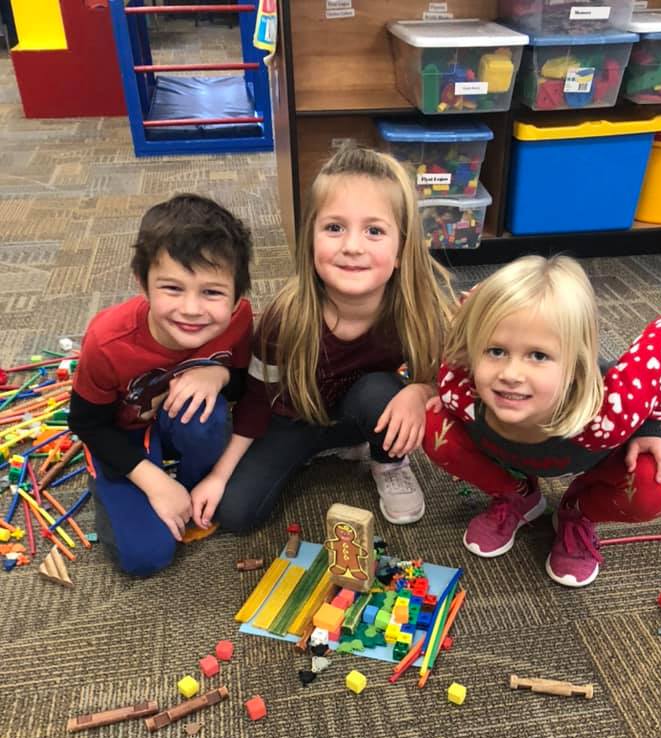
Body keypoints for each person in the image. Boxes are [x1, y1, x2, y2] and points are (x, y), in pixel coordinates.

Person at [191, 147, 455, 532]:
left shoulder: (416, 308)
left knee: (384, 392)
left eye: (375, 231)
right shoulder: (285, 317)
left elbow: (444, 379)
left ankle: (387, 460)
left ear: (401, 248)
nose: (352, 246)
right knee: (235, 513)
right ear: (310, 238)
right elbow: (255, 401)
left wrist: (419, 391)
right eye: (334, 228)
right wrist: (218, 475)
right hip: (292, 420)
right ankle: (323, 448)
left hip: (360, 409)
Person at [423, 255, 661, 587]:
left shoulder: (611, 410)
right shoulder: (459, 385)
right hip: (513, 455)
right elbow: (460, 331)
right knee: (428, 421)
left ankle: (577, 512)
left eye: (538, 356)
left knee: (658, 480)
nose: (510, 374)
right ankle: (518, 495)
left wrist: (656, 428)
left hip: (594, 453)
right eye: (495, 351)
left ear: (577, 364)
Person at [69, 193, 253, 576]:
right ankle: (124, 489)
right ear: (143, 283)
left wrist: (219, 374)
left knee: (208, 414)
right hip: (121, 436)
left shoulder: (238, 319)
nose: (191, 309)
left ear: (237, 296)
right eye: (172, 288)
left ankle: (192, 486)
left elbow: (242, 386)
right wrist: (155, 483)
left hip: (180, 422)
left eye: (212, 292)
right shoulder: (107, 340)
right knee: (146, 557)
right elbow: (87, 424)